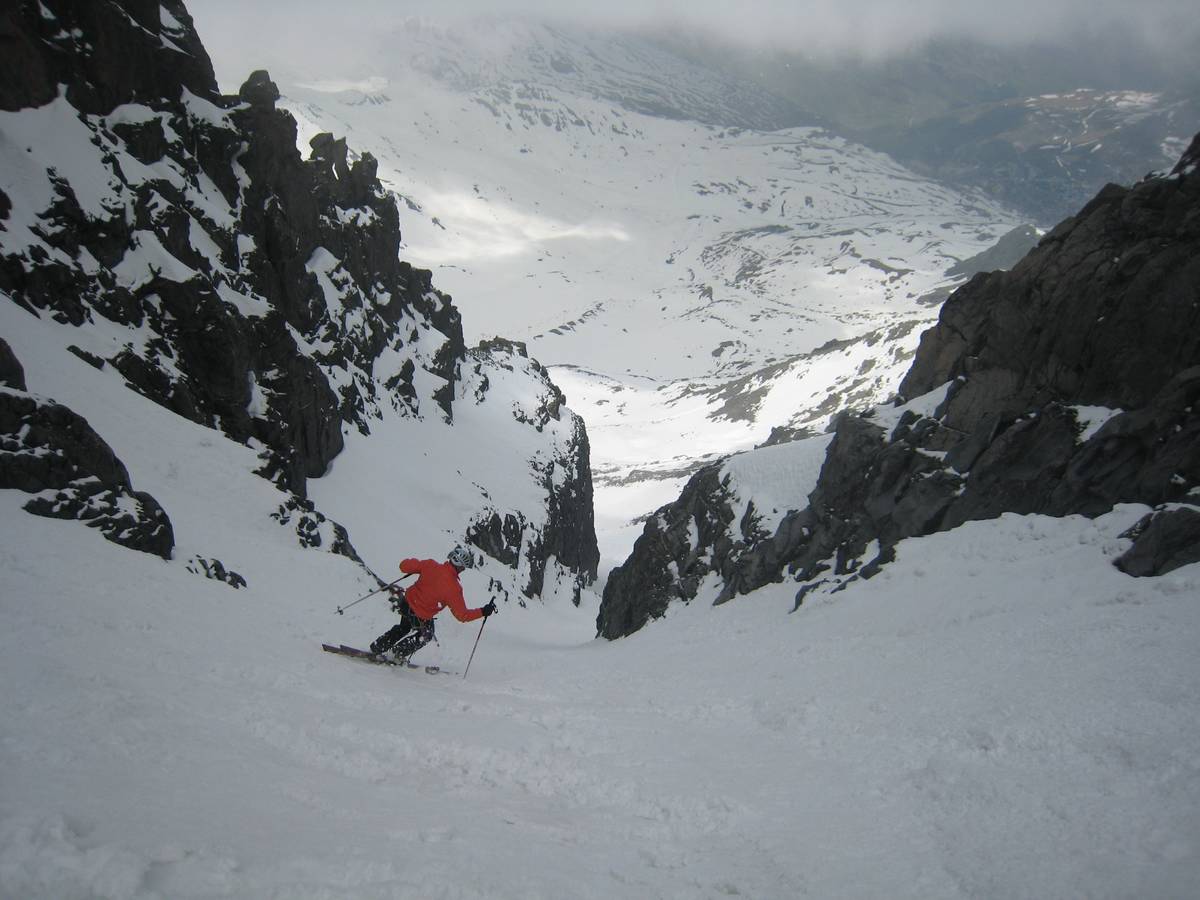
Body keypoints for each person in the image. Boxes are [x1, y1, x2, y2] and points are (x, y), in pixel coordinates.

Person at [369, 546, 496, 663]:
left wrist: (416, 567)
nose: (463, 570)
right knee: (425, 636)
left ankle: (378, 646)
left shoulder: (430, 565)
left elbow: (403, 566)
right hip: (421, 615)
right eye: (463, 567)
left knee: (404, 627)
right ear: (460, 566)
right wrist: (483, 611)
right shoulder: (454, 588)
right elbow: (462, 615)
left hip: (407, 604)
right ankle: (397, 654)